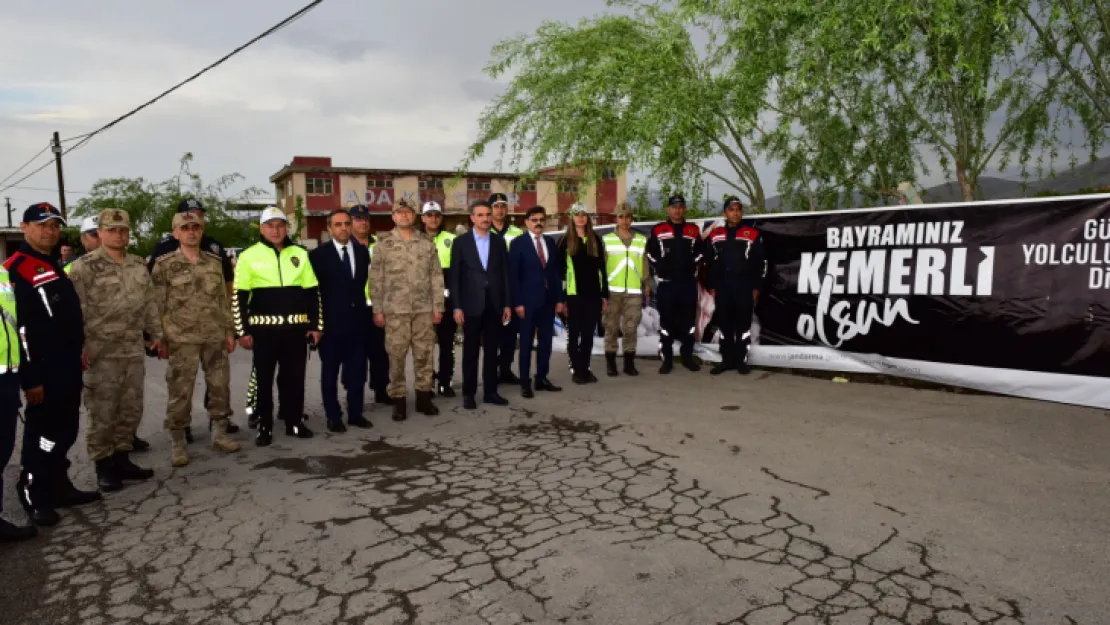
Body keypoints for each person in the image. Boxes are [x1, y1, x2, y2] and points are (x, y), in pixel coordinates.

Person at [5, 203, 100, 526]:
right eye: (42, 224)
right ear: (25, 227)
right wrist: (31, 379)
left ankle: (59, 484)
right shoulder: (16, 269)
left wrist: (79, 350)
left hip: (67, 364)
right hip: (42, 370)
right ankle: (33, 492)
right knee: (42, 435)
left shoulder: (53, 264)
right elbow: (22, 329)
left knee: (66, 429)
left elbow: (65, 318)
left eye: (55, 225)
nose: (50, 230)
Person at [68, 209, 163, 492]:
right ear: (100, 233)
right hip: (100, 350)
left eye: (123, 230)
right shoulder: (84, 267)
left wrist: (156, 333)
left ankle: (123, 458)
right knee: (102, 409)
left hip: (131, 346)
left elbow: (149, 302)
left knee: (130, 407)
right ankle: (103, 464)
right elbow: (76, 312)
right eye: (112, 230)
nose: (119, 235)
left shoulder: (137, 264)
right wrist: (79, 346)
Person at [150, 212, 241, 466]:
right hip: (181, 338)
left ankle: (219, 434)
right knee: (180, 391)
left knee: (220, 386)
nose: (191, 231)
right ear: (176, 232)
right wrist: (160, 338)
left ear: (202, 231)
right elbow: (156, 304)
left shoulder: (213, 262)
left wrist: (229, 330)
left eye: (196, 227)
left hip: (214, 335)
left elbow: (224, 299)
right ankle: (178, 442)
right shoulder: (165, 264)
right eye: (185, 227)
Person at [233, 207, 321, 446]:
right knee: (264, 381)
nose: (275, 230)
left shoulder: (300, 254)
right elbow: (238, 297)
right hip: (263, 333)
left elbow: (313, 293)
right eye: (270, 225)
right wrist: (241, 331)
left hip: (295, 332)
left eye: (280, 225)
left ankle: (294, 422)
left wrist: (316, 326)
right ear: (262, 229)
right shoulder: (248, 256)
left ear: (286, 228)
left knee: (295, 379)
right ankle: (264, 426)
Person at [369, 199, 445, 421]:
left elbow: (436, 276)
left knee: (425, 355)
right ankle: (399, 400)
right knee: (396, 357)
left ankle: (423, 397)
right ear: (393, 216)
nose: (404, 215)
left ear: (414, 216)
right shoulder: (383, 244)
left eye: (408, 212)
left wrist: (437, 306)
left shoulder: (426, 243)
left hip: (423, 309)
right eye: (399, 212)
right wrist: (378, 309)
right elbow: (376, 279)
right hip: (395, 310)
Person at [309, 209, 373, 433]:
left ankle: (356, 414)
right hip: (330, 326)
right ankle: (333, 416)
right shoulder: (317, 256)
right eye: (338, 224)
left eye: (347, 223)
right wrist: (315, 325)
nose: (344, 228)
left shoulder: (362, 253)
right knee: (330, 374)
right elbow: (312, 293)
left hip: (358, 324)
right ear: (329, 228)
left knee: (357, 373)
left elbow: (363, 286)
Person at [449, 200, 512, 409]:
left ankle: (491, 392)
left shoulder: (498, 242)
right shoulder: (461, 243)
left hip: (494, 304)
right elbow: (455, 277)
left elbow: (505, 275)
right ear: (472, 218)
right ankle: (469, 394)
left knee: (492, 351)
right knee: (470, 352)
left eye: (488, 214)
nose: (486, 218)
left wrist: (507, 304)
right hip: (471, 305)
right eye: (481, 215)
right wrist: (457, 306)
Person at [705, 197, 767, 375]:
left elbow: (761, 263)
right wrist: (712, 284)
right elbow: (709, 262)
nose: (735, 212)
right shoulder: (715, 235)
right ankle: (726, 360)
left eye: (738, 209)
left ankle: (741, 361)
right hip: (723, 287)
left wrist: (756, 287)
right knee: (725, 324)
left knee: (743, 325)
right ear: (725, 213)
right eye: (731, 210)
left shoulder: (752, 234)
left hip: (744, 287)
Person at [509, 205, 565, 398]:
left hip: (547, 302)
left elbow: (555, 273)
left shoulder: (549, 242)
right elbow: (514, 277)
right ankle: (525, 382)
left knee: (546, 343)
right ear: (526, 222)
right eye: (534, 219)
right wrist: (517, 303)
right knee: (525, 343)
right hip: (526, 303)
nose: (538, 223)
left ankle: (541, 377)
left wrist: (559, 299)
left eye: (541, 219)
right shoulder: (518, 244)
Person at [646, 194, 705, 373]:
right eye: (674, 207)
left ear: (685, 209)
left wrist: (691, 264)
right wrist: (661, 267)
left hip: (687, 284)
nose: (677, 210)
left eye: (680, 207)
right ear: (668, 209)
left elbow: (702, 253)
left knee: (688, 322)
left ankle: (687, 357)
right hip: (667, 285)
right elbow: (650, 254)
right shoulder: (658, 229)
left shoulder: (693, 230)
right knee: (666, 323)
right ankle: (667, 359)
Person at [556, 204, 609, 384]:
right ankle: (577, 370)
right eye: (577, 215)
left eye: (584, 215)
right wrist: (561, 299)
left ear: (588, 218)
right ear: (572, 218)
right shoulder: (565, 241)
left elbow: (602, 269)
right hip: (573, 295)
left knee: (588, 335)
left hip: (593, 295)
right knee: (574, 334)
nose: (580, 218)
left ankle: (585, 367)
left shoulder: (595, 239)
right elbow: (559, 272)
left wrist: (604, 295)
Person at [601, 203, 649, 376]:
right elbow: (602, 266)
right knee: (611, 327)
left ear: (631, 218)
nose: (624, 220)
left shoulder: (640, 240)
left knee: (630, 328)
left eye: (627, 217)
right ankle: (611, 363)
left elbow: (644, 265)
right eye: (621, 217)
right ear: (616, 218)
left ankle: (629, 363)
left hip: (634, 291)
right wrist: (602, 291)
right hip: (613, 292)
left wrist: (648, 285)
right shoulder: (607, 239)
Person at [350, 204, 391, 406]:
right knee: (356, 354)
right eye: (358, 218)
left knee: (380, 352)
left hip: (378, 307)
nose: (362, 222)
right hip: (355, 309)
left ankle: (381, 389)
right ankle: (354, 393)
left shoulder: (379, 245)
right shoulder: (346, 246)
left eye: (365, 218)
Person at [421, 201, 458, 398]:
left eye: (436, 215)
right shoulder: (416, 239)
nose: (433, 219)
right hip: (421, 301)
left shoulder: (452, 240)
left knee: (446, 344)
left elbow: (458, 272)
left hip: (446, 300)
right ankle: (426, 383)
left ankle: (445, 382)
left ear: (441, 218)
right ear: (423, 218)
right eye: (429, 215)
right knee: (424, 346)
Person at [488, 192, 524, 384]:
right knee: (492, 334)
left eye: (503, 206)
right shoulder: (484, 231)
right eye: (496, 206)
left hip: (512, 290)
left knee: (510, 334)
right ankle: (491, 371)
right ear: (490, 209)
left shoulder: (517, 233)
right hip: (491, 291)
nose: (500, 210)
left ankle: (506, 369)